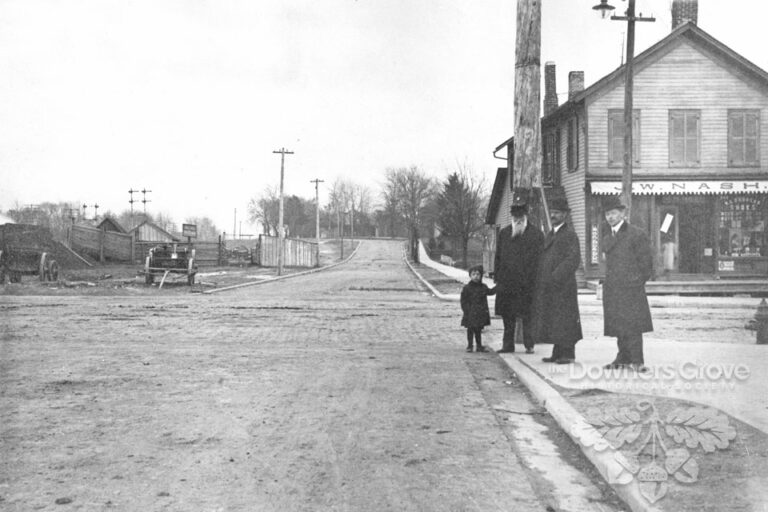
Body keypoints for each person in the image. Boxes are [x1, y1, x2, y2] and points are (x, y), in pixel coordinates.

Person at [601, 196, 654, 372]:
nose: (610, 217)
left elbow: (646, 265)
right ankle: (622, 358)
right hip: (613, 289)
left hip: (631, 289)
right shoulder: (607, 235)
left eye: (614, 213)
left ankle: (637, 361)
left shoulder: (636, 234)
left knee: (633, 326)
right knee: (618, 325)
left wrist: (635, 283)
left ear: (622, 214)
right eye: (607, 214)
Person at [530, 196, 582, 364]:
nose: (553, 216)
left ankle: (568, 354)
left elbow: (572, 260)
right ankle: (557, 352)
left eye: (557, 213)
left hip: (563, 286)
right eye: (552, 213)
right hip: (550, 286)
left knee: (565, 319)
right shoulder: (551, 234)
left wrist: (555, 277)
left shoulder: (570, 235)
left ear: (565, 215)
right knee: (555, 319)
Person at [493, 191, 544, 354]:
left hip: (527, 283)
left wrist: (537, 280)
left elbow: (540, 260)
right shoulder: (504, 233)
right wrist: (498, 277)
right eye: (515, 216)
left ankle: (529, 343)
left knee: (528, 315)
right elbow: (498, 257)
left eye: (520, 216)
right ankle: (508, 345)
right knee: (508, 316)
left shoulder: (536, 234)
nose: (518, 219)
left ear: (526, 216)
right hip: (507, 283)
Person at [460, 265, 496, 353]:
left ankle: (479, 346)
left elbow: (490, 292)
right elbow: (463, 300)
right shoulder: (467, 288)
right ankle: (470, 345)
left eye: (478, 274)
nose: (476, 276)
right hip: (470, 312)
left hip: (480, 312)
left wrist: (498, 287)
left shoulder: (483, 287)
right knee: (470, 330)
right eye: (473, 274)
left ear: (481, 276)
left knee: (478, 330)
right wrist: (466, 310)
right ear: (470, 276)